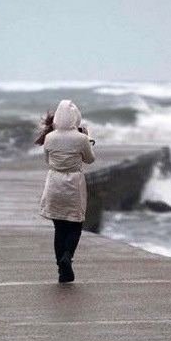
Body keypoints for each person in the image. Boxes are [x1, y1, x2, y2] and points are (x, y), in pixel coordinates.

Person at [37, 100, 96, 283]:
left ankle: (61, 269)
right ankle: (67, 257)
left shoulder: (50, 138)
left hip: (54, 183)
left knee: (59, 228)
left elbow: (48, 160)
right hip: (73, 184)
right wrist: (89, 139)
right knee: (75, 226)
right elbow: (90, 160)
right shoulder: (81, 139)